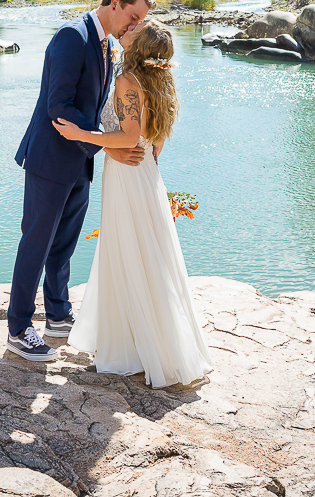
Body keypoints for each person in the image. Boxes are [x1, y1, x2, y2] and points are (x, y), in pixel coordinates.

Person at [53, 20, 212, 388]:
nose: (128, 29)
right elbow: (156, 140)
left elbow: (127, 134)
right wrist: (130, 146)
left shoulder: (128, 81)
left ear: (139, 47)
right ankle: (153, 344)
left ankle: (134, 347)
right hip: (146, 176)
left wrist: (81, 134)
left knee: (128, 251)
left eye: (135, 31)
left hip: (127, 175)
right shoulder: (160, 82)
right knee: (149, 255)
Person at [7, 0, 154, 362]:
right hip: (51, 160)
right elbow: (60, 107)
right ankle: (19, 327)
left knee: (63, 246)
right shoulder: (72, 36)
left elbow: (92, 110)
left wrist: (104, 147)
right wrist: (105, 147)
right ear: (116, 2)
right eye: (134, 17)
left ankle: (57, 314)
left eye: (141, 22)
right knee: (36, 243)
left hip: (79, 163)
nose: (135, 26)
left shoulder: (106, 45)